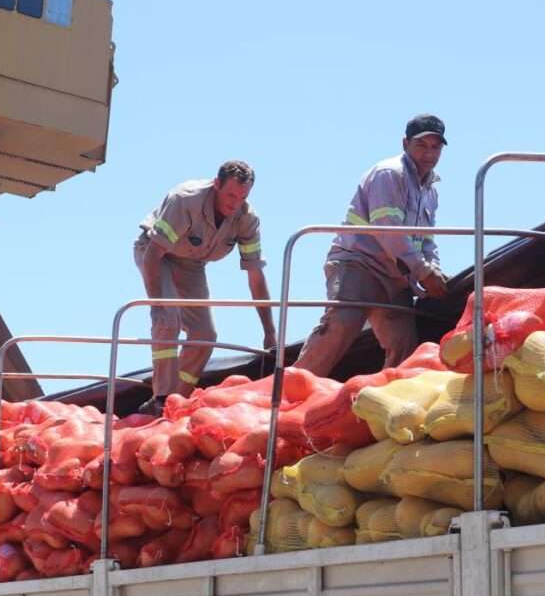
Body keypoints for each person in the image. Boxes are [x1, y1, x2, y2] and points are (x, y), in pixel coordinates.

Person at [293, 114, 449, 377]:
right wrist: (424, 272)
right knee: (341, 325)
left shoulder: (430, 190)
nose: (428, 153)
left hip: (395, 276)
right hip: (359, 264)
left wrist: (434, 268)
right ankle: (289, 394)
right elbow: (388, 230)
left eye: (435, 147)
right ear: (405, 144)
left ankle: (388, 405)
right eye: (421, 145)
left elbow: (426, 239)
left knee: (404, 347)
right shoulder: (389, 174)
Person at [135, 160, 276, 416]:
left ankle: (175, 403)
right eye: (230, 194)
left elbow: (255, 275)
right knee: (168, 319)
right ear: (216, 184)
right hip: (156, 254)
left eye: (242, 196)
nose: (235, 203)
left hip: (192, 265)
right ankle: (161, 398)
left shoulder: (247, 220)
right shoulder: (185, 200)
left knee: (205, 335)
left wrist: (270, 333)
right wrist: (158, 304)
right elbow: (154, 253)